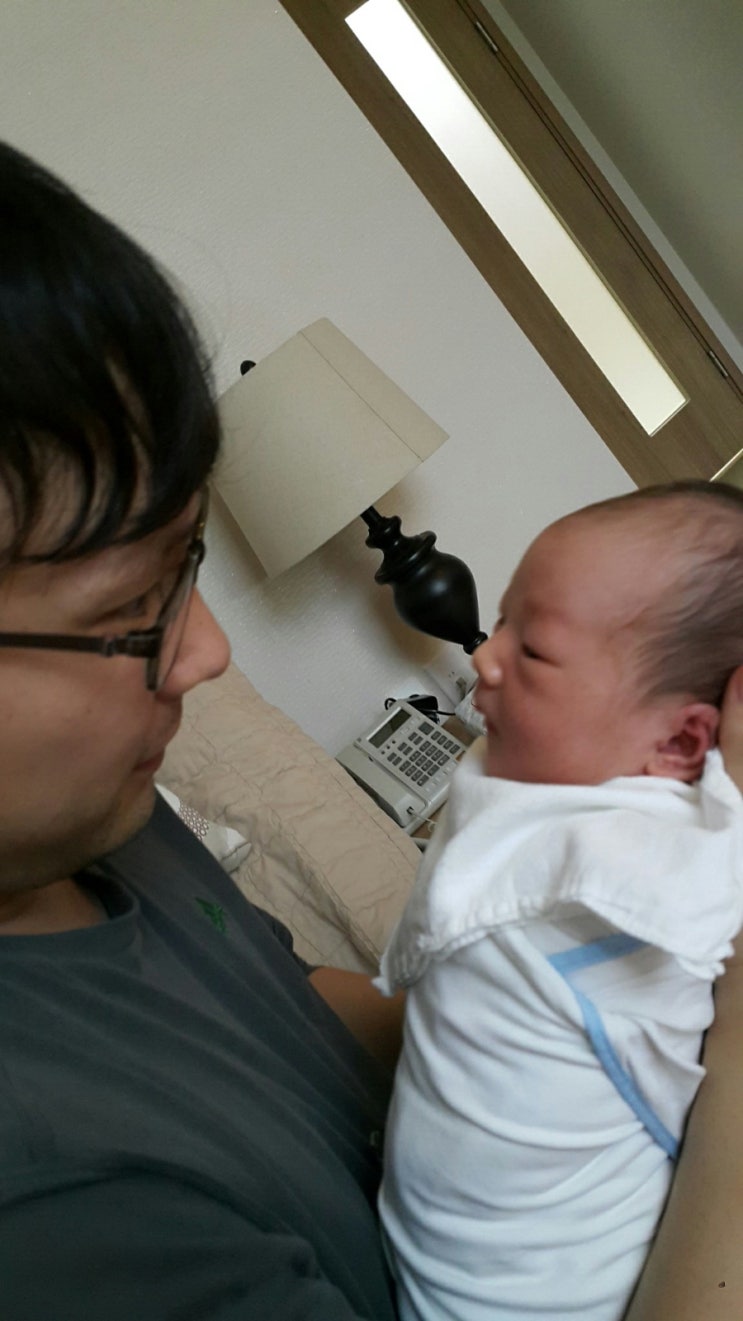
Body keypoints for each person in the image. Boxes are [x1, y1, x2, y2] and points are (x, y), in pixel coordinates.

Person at [0, 137, 742, 1321]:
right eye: (128, 608)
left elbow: (292, 1009)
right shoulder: (52, 1212)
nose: (207, 652)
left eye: (185, 567)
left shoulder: (100, 827)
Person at [377, 485, 743, 1321]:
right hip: (431, 1253)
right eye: (502, 621)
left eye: (533, 650)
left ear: (679, 741)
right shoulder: (541, 802)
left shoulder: (642, 865)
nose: (485, 656)